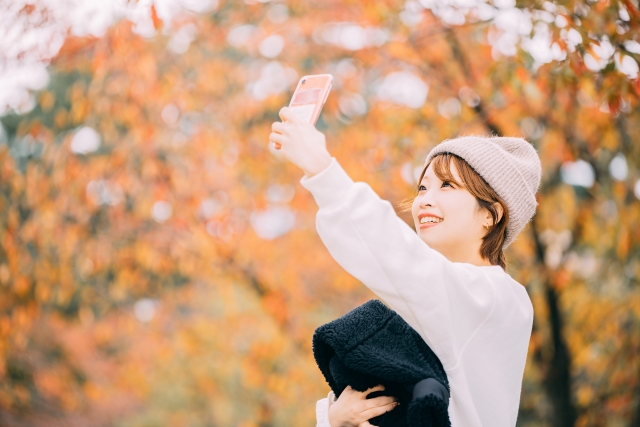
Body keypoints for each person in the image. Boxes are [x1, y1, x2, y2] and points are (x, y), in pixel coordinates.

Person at [269, 107, 542, 427]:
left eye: (447, 186)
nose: (424, 200)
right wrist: (333, 420)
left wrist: (321, 168)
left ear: (491, 214)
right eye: (423, 188)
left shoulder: (494, 297)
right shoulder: (451, 299)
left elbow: (399, 256)